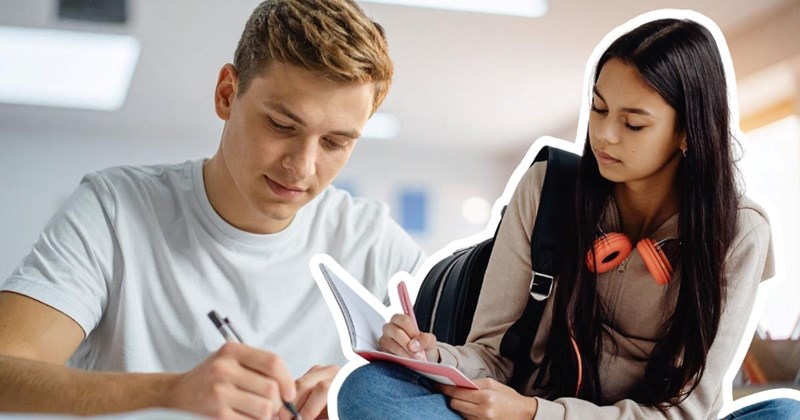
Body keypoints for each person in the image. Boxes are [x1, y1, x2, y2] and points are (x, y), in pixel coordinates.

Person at [336, 11, 800, 420]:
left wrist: (538, 414)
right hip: (522, 408)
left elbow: (686, 411)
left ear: (687, 132)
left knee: (784, 412)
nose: (606, 136)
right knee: (369, 388)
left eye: (633, 123)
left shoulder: (737, 231)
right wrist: (433, 355)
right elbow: (493, 355)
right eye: (598, 109)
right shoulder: (548, 188)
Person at [0, 0, 425, 418]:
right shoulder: (115, 209)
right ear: (227, 94)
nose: (302, 166)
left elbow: (472, 380)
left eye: (335, 142)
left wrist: (363, 391)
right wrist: (171, 390)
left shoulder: (372, 239)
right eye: (281, 125)